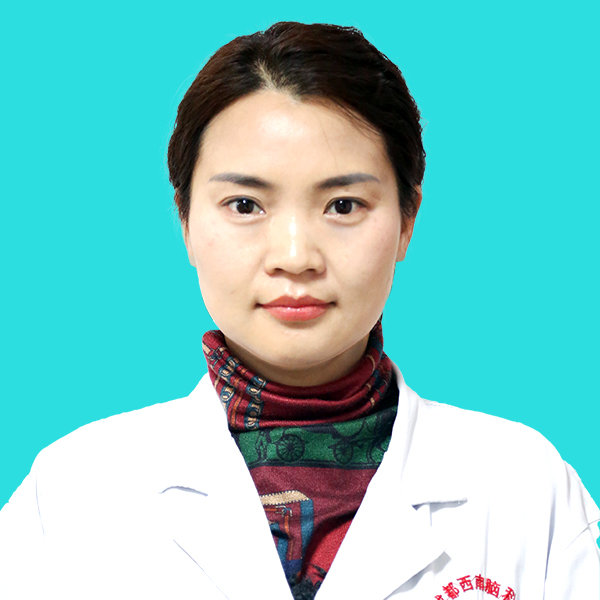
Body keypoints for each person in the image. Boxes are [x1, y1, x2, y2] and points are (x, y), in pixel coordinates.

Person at [0, 21, 598, 600]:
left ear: (406, 220)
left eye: (343, 205)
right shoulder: (73, 492)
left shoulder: (524, 488)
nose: (294, 257)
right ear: (184, 220)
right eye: (245, 205)